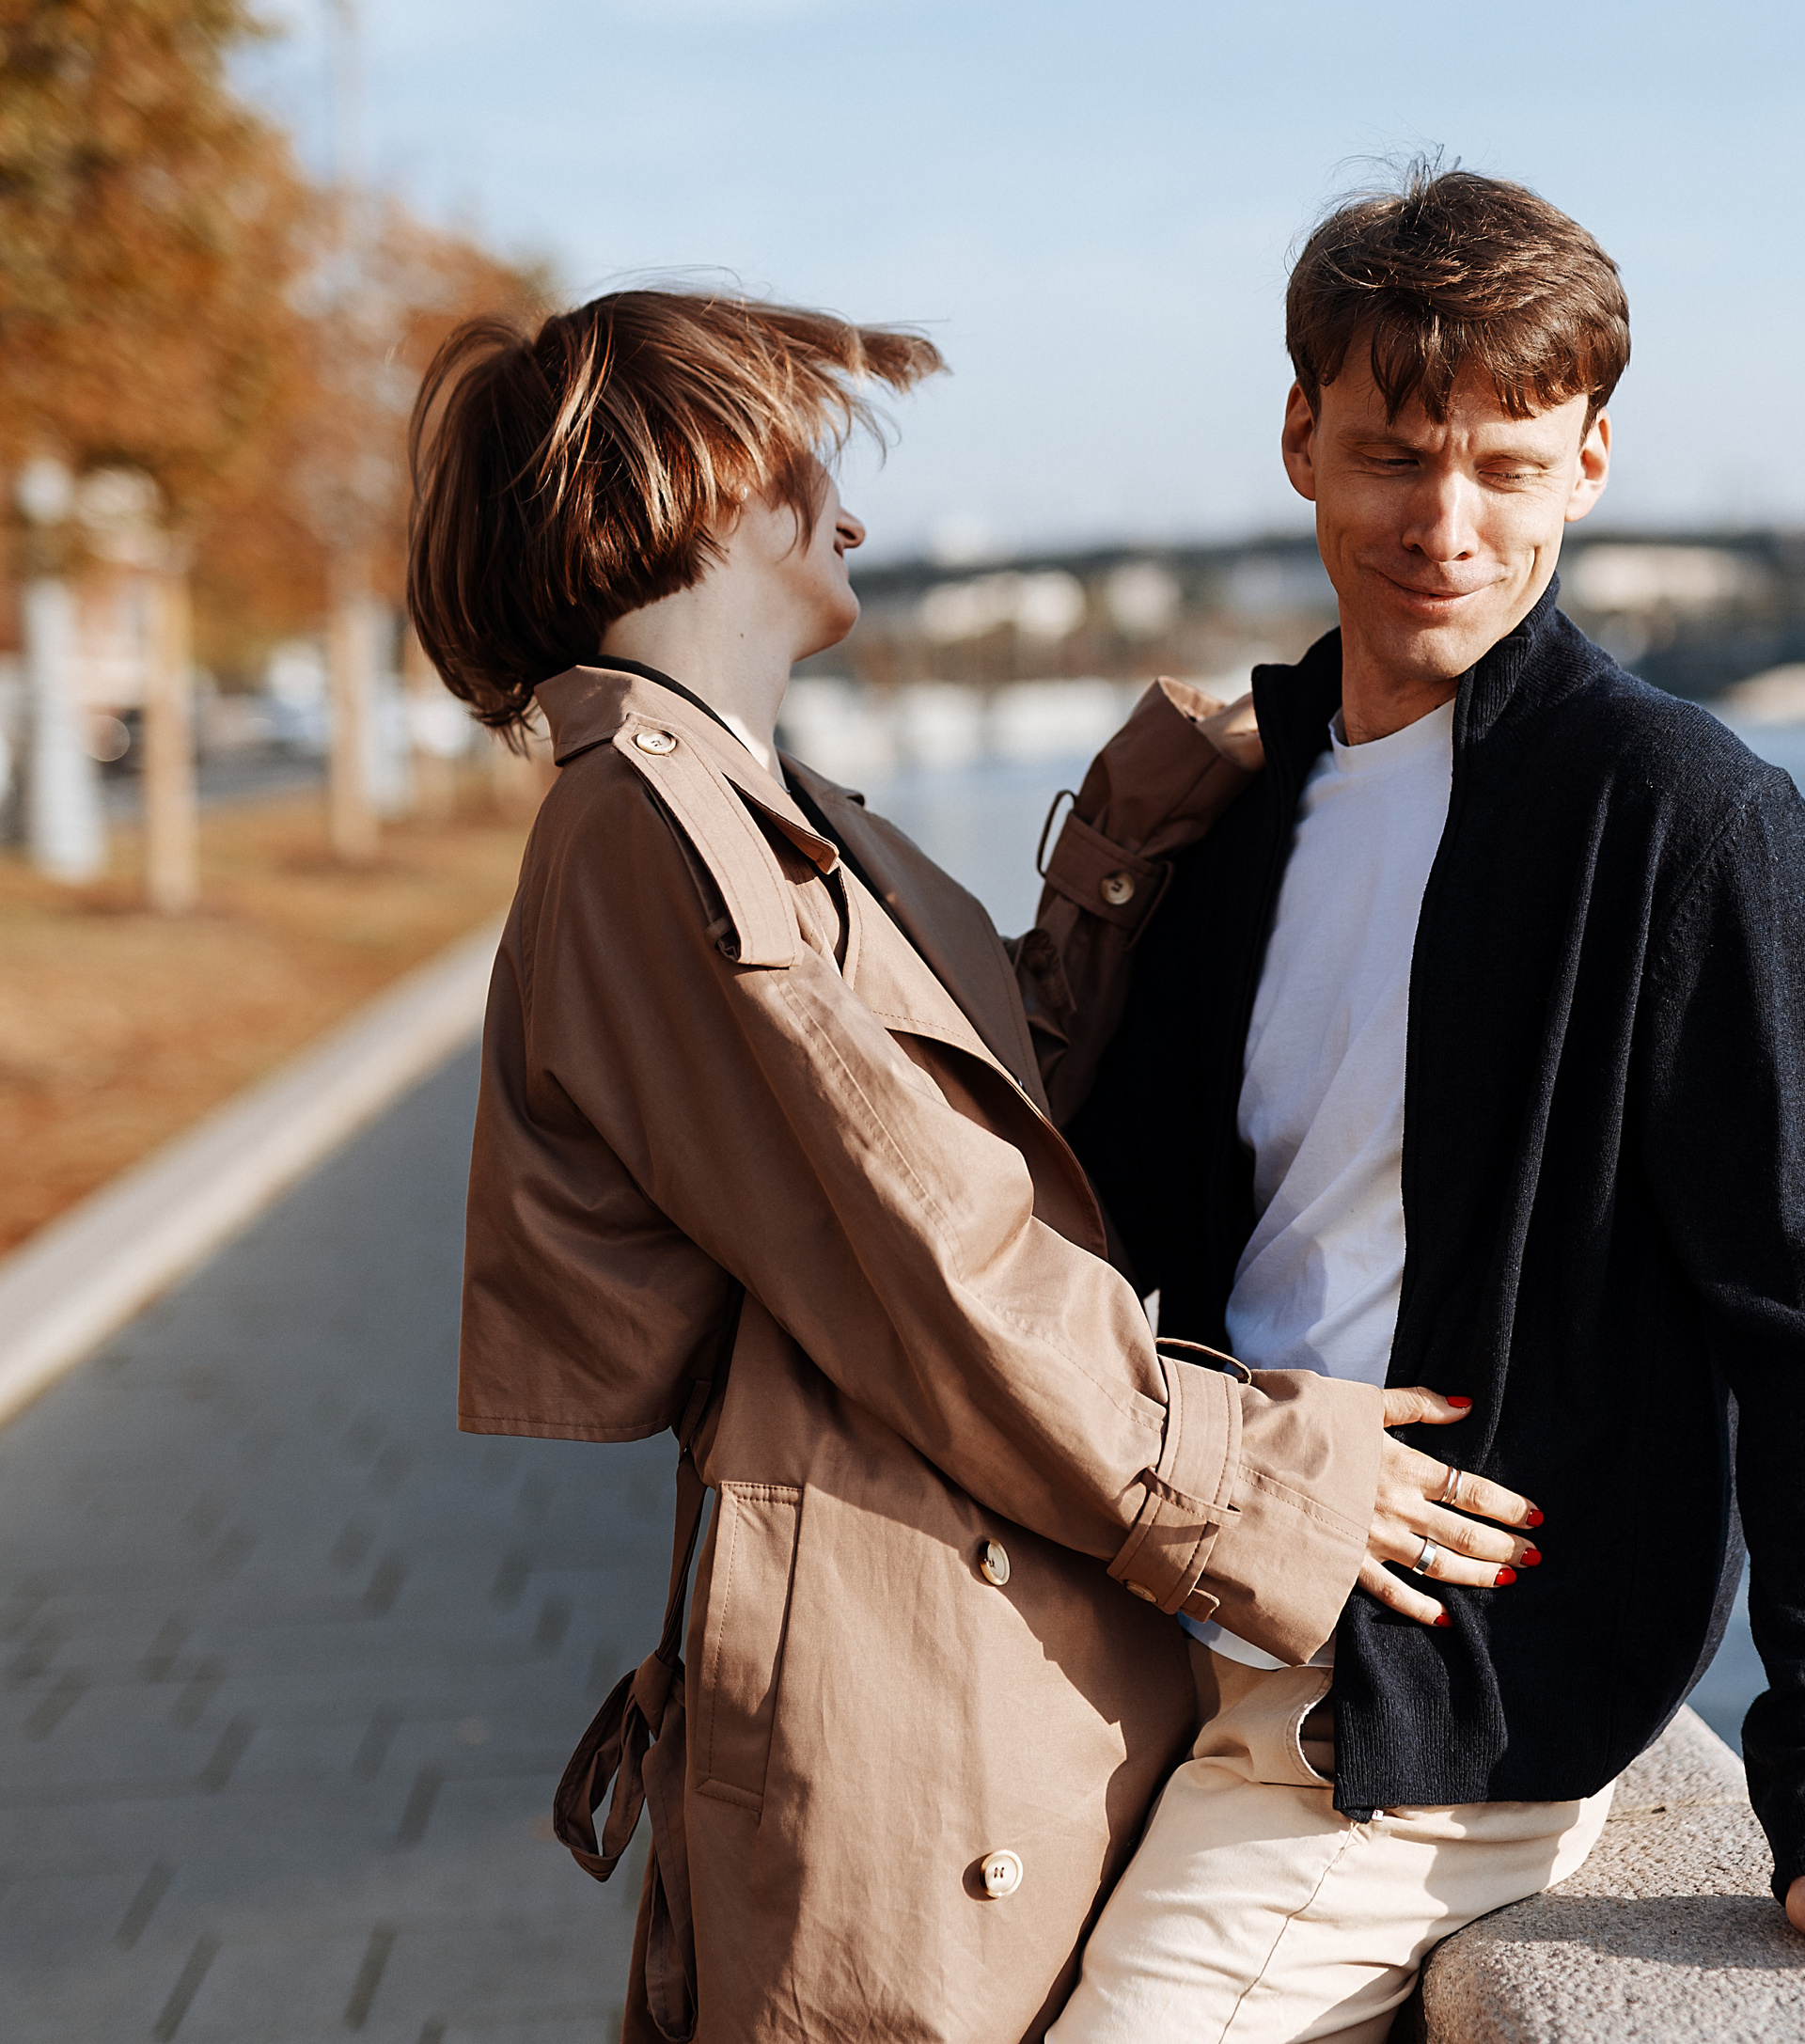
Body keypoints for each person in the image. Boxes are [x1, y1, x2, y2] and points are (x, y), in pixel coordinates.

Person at [403, 288, 1538, 2043]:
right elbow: (937, 1257)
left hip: (965, 1624)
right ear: (701, 479)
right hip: (900, 1656)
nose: (847, 510)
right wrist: (1271, 1477)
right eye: (806, 461)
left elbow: (993, 1116)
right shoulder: (650, 825)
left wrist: (1138, 821)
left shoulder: (758, 805)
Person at [1054, 164, 1805, 2039]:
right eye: (1395, 454)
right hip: (1169, 1607)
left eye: (1505, 465)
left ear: (1587, 462)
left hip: (1405, 1707)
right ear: (1298, 443)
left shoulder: (1678, 820)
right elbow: (1144, 1223)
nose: (1444, 521)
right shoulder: (1250, 807)